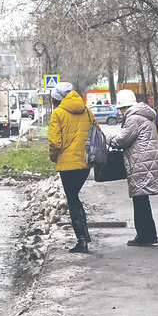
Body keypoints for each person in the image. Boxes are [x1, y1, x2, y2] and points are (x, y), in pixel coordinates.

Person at [109, 89, 158, 246]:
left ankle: (144, 236)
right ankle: (149, 234)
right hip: (146, 161)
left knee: (140, 201)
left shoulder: (134, 118)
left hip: (140, 163)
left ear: (127, 106)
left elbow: (123, 140)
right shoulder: (144, 116)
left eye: (121, 108)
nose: (120, 112)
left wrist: (108, 138)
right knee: (142, 200)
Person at [47, 81, 93, 253]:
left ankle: (82, 240)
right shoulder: (86, 111)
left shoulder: (57, 114)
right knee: (75, 197)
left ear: (56, 99)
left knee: (72, 200)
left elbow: (55, 143)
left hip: (67, 166)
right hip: (85, 163)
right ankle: (84, 236)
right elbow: (96, 133)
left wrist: (54, 158)